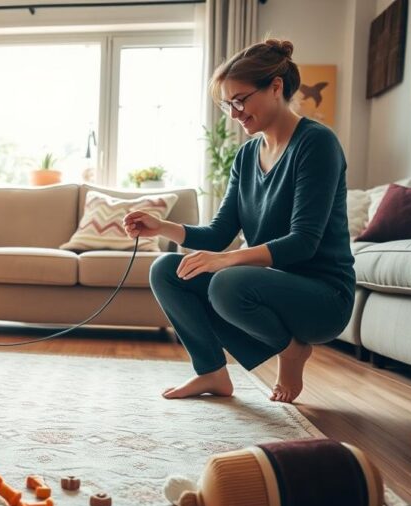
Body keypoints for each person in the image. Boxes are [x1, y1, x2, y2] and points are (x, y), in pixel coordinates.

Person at [124, 38, 354, 404]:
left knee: (226, 283)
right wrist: (162, 226)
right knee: (168, 269)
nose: (234, 113)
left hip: (322, 297)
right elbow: (218, 235)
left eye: (240, 100)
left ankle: (292, 350)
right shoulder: (247, 155)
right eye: (227, 104)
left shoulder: (317, 144)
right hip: (266, 284)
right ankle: (211, 372)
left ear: (276, 87)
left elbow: (303, 241)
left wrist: (227, 260)